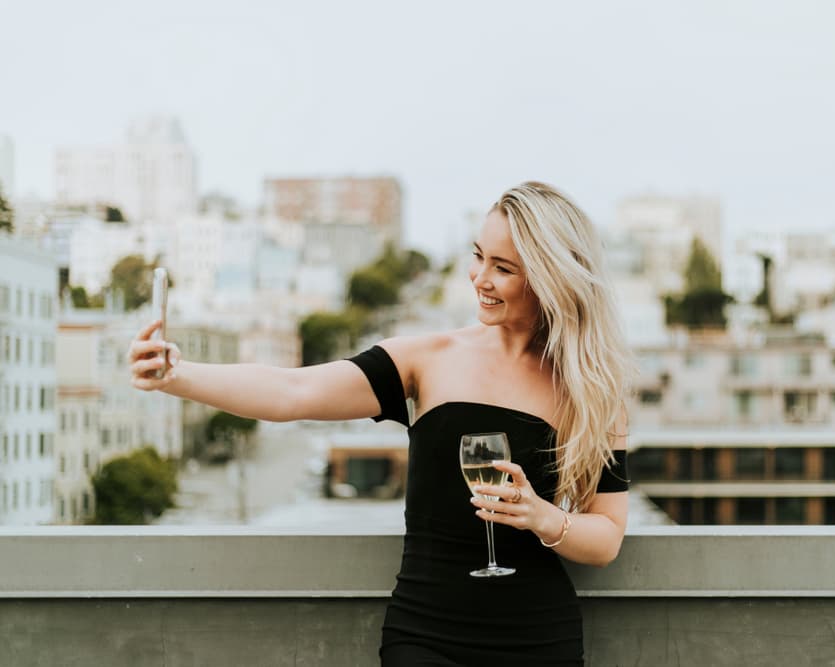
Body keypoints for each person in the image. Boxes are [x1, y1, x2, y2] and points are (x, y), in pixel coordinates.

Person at [129, 181, 633, 666]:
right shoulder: (427, 358)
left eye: (503, 268)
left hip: (539, 639)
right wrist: (176, 375)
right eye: (478, 256)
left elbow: (607, 537)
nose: (479, 278)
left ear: (549, 278)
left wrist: (541, 516)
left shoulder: (592, 390)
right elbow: (293, 392)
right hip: (426, 635)